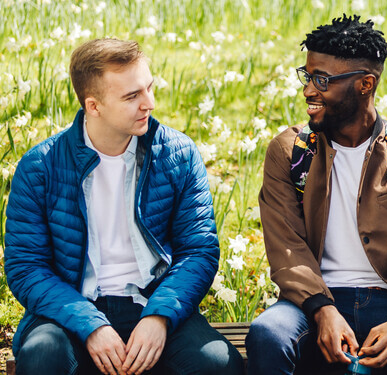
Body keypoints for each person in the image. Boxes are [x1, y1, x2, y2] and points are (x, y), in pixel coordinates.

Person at [246, 15, 387, 375]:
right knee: (267, 334)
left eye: (322, 80)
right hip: (314, 299)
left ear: (365, 84)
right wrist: (322, 310)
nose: (308, 91)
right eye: (307, 76)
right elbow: (287, 251)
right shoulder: (290, 151)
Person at [4, 38, 243, 375]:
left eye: (149, 88)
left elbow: (199, 251)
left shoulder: (178, 154)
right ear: (94, 105)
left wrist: (160, 316)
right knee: (44, 357)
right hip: (70, 309)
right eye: (132, 96)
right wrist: (90, 325)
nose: (149, 103)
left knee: (217, 365)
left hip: (153, 303)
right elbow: (26, 266)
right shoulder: (40, 166)